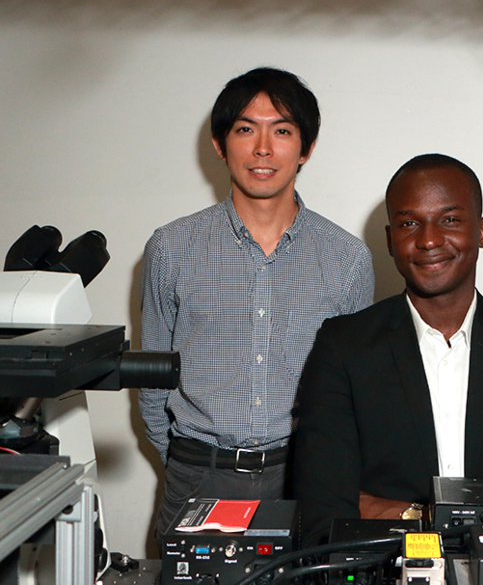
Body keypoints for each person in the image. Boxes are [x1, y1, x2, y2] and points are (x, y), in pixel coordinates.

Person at [294, 154, 483, 560]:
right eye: (408, 223)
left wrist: (406, 513)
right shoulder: (343, 347)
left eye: (450, 220)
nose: (429, 239)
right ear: (389, 239)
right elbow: (323, 524)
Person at [139, 67, 375, 537]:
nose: (263, 148)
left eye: (282, 130)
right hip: (197, 475)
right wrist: (188, 461)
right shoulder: (172, 246)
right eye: (246, 129)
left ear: (306, 147)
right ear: (220, 143)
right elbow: (151, 377)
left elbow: (356, 395)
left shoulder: (347, 258)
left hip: (303, 479)